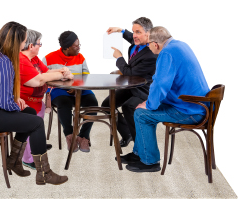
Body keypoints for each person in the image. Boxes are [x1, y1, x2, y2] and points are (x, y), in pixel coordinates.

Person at [0, 21, 70, 185]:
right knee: (36, 122)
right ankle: (44, 173)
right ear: (17, 42)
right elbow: (6, 104)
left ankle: (13, 161)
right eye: (24, 41)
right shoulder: (5, 62)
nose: (25, 45)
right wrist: (15, 102)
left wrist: (15, 100)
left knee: (29, 114)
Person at [122, 26, 210, 173]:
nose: (148, 46)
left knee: (141, 114)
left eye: (148, 43)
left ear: (156, 44)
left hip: (191, 111)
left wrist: (149, 105)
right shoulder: (180, 45)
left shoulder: (167, 53)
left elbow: (160, 84)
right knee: (140, 107)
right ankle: (139, 153)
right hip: (196, 106)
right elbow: (162, 82)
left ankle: (150, 162)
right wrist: (149, 103)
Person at [19, 29, 73, 169]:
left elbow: (47, 72)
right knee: (29, 130)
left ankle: (38, 146)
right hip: (26, 104)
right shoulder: (22, 60)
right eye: (39, 43)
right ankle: (27, 158)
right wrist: (62, 75)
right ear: (31, 46)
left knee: (37, 128)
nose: (40, 46)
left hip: (37, 101)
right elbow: (40, 79)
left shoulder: (35, 59)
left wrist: (63, 71)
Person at [101, 17, 157, 147]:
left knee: (128, 107)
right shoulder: (139, 42)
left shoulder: (151, 54)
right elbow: (132, 38)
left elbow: (129, 73)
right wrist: (120, 30)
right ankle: (127, 134)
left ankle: (141, 146)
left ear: (148, 34)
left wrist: (119, 57)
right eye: (133, 32)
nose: (134, 36)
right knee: (107, 105)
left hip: (144, 89)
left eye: (138, 32)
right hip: (131, 86)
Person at [42, 31, 98, 153]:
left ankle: (83, 137)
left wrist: (77, 87)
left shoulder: (81, 57)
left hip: (81, 90)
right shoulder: (48, 58)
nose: (79, 48)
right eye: (76, 46)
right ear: (67, 48)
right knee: (64, 104)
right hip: (59, 91)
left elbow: (86, 76)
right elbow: (42, 77)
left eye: (79, 45)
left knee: (93, 104)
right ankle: (70, 136)